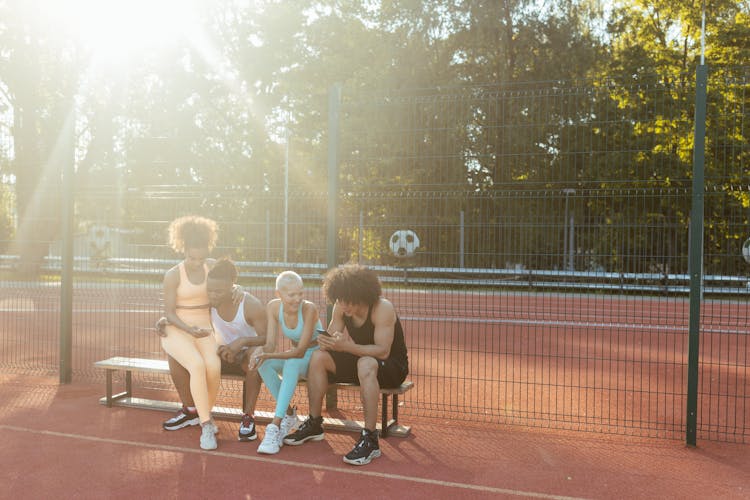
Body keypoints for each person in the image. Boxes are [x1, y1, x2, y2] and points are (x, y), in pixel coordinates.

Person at [283, 264, 408, 466]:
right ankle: (314, 423)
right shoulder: (342, 306)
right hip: (361, 360)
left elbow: (382, 351)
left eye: (346, 299)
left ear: (360, 294)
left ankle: (370, 438)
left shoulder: (382, 308)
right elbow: (332, 335)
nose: (342, 304)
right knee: (318, 357)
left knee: (367, 363)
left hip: (391, 367)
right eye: (338, 299)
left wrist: (347, 346)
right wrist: (327, 342)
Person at [158, 257, 268, 443]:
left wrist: (242, 342)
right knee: (176, 353)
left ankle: (248, 417)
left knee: (255, 356)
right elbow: (186, 312)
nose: (213, 295)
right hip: (219, 355)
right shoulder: (209, 302)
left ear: (232, 286)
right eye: (210, 290)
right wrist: (165, 320)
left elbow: (267, 339)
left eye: (218, 291)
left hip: (244, 358)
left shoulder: (250, 304)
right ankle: (191, 410)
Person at [158, 215, 222, 450]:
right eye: (192, 257)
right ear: (183, 249)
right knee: (196, 365)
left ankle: (203, 413)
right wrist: (188, 330)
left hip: (204, 328)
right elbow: (169, 313)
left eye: (201, 257)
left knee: (214, 367)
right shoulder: (173, 275)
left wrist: (238, 289)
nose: (197, 262)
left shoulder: (212, 266)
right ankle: (206, 425)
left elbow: (228, 287)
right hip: (177, 329)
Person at [250, 271, 322, 455]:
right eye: (291, 295)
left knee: (290, 362)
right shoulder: (273, 307)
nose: (297, 298)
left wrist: (270, 354)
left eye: (300, 293)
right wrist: (261, 353)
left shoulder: (309, 309)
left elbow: (300, 351)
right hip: (295, 357)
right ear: (278, 294)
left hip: (314, 359)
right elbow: (271, 345)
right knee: (263, 364)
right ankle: (289, 415)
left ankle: (275, 425)